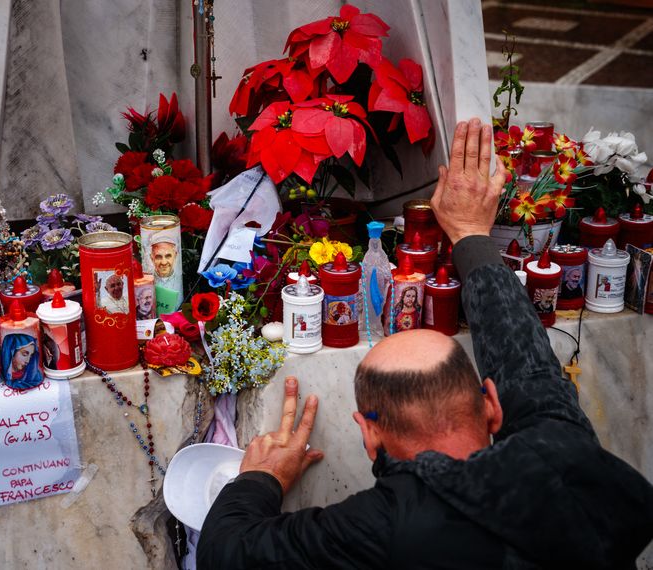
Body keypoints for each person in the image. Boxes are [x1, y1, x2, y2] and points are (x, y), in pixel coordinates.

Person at [197, 118, 653, 569]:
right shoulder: (565, 456)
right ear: (492, 405)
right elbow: (526, 363)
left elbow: (229, 551)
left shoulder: (379, 528)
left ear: (369, 435)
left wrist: (261, 477)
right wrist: (470, 233)